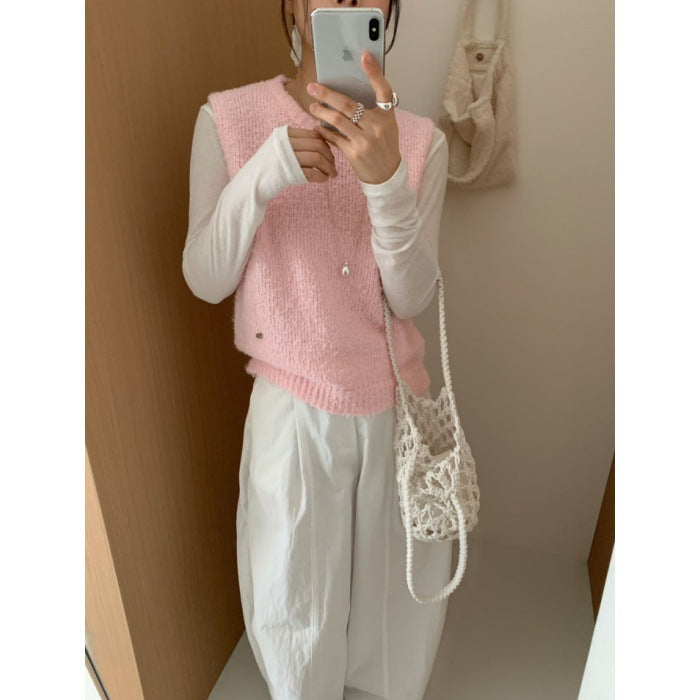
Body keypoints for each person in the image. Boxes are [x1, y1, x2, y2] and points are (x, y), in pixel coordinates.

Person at [182, 1, 453, 698]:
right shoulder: (229, 118)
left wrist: (386, 181)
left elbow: (411, 296)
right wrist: (265, 172)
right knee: (294, 600)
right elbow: (206, 278)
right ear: (294, 6)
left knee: (392, 610)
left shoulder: (420, 141)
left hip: (394, 409)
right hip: (293, 409)